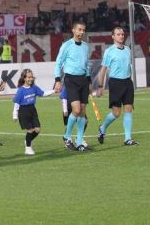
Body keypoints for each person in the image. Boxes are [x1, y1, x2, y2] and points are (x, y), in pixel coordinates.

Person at [97, 27, 138, 146]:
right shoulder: (109, 51)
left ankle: (128, 138)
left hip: (127, 82)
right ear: (113, 37)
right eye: (118, 34)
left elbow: (128, 66)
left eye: (122, 34)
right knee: (116, 113)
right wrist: (100, 86)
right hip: (115, 83)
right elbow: (103, 70)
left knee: (128, 109)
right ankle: (102, 128)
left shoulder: (128, 49)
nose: (121, 36)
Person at [54, 22, 91, 152]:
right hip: (71, 79)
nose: (81, 32)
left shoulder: (85, 46)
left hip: (83, 80)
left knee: (82, 112)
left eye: (83, 30)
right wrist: (57, 80)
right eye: (79, 30)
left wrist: (89, 81)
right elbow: (58, 63)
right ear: (73, 30)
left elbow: (86, 65)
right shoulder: (66, 45)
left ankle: (79, 142)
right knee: (76, 110)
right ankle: (67, 136)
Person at [12, 69, 50, 155]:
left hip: (32, 110)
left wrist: (54, 91)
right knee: (30, 130)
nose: (31, 79)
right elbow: (17, 103)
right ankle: (28, 148)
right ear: (24, 78)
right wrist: (15, 115)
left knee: (37, 130)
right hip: (23, 111)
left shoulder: (34, 88)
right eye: (29, 77)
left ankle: (27, 140)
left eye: (32, 77)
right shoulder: (21, 90)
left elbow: (43, 93)